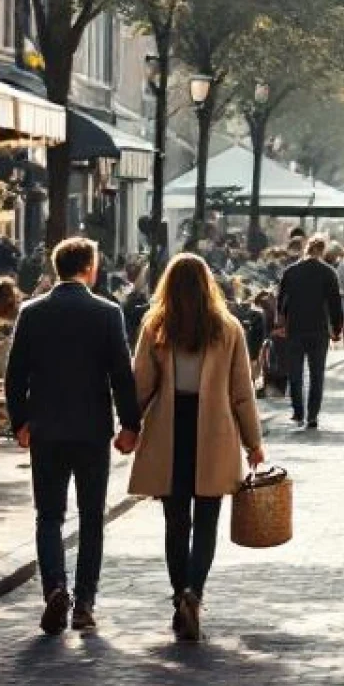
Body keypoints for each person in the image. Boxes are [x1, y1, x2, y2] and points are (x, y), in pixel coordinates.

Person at [4, 236, 141, 634]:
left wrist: (20, 422)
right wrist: (130, 424)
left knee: (48, 516)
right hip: (92, 430)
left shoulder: (32, 312)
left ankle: (54, 589)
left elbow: (15, 375)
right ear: (91, 268)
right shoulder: (107, 313)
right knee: (92, 519)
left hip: (46, 429)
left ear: (55, 268)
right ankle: (84, 602)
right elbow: (121, 374)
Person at [128, 254, 265, 643]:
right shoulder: (228, 328)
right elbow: (242, 392)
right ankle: (194, 593)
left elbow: (141, 384)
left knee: (175, 522)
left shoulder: (156, 325)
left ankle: (178, 595)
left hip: (170, 430)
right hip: (215, 432)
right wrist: (253, 442)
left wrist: (127, 426)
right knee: (206, 521)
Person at [276, 236, 343, 429]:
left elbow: (282, 301)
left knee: (295, 372)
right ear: (322, 251)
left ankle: (298, 412)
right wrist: (337, 329)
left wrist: (281, 322)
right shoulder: (328, 273)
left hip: (295, 327)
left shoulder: (291, 271)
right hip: (319, 329)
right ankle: (312, 415)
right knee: (317, 374)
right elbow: (335, 304)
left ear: (306, 248)